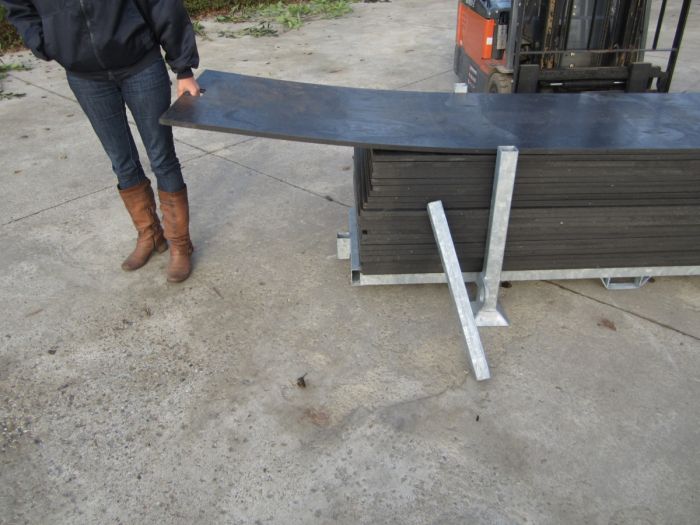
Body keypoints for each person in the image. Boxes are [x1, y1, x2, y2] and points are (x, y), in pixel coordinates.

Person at [2, 0, 201, 282]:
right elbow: (19, 7)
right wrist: (45, 42)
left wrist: (183, 68)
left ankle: (180, 245)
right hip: (85, 77)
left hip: (141, 65)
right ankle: (149, 234)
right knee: (121, 161)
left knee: (162, 158)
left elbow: (162, 4)